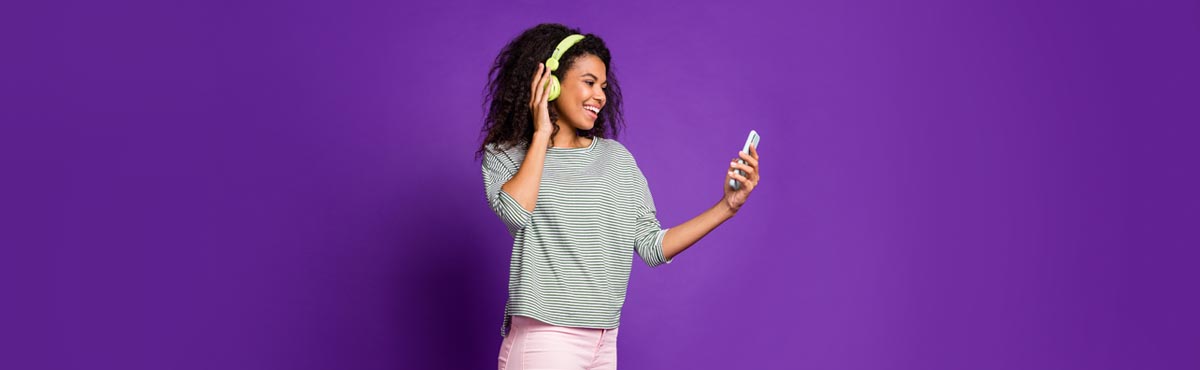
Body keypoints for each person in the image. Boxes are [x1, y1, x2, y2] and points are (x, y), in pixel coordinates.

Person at [478, 23, 761, 370]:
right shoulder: (507, 154)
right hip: (546, 337)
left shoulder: (616, 159)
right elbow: (514, 213)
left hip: (603, 339)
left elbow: (651, 245)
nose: (600, 96)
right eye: (589, 82)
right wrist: (541, 134)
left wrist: (727, 207)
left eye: (604, 86)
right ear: (550, 83)